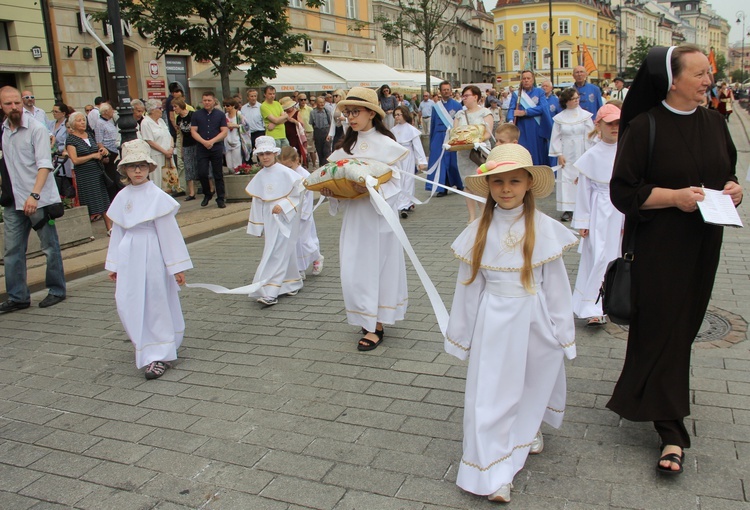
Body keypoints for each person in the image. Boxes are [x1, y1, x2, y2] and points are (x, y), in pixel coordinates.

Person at [607, 45, 743, 475]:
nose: (708, 80)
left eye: (709, 73)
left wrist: (734, 188)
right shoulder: (645, 127)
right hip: (660, 246)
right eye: (700, 73)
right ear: (673, 80)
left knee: (679, 328)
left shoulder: (716, 122)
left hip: (705, 243)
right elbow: (623, 192)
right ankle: (671, 432)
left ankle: (641, 393)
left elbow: (728, 170)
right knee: (663, 327)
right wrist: (675, 198)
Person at [445, 143, 576, 503]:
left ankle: (527, 429)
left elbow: (557, 289)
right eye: (498, 182)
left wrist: (563, 333)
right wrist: (460, 335)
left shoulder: (543, 229)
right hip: (494, 322)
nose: (506, 189)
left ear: (528, 184)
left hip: (534, 321)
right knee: (490, 394)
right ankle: (491, 471)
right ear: (488, 186)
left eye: (514, 181)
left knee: (532, 382)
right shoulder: (478, 232)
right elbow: (468, 289)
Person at [318, 86, 409, 351]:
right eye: (347, 112)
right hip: (356, 218)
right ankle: (366, 316)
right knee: (353, 270)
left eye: (355, 112)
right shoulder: (347, 147)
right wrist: (332, 192)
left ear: (371, 112)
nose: (350, 117)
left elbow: (398, 184)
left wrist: (372, 188)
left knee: (377, 269)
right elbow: (336, 178)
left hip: (379, 219)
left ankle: (375, 324)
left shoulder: (389, 146)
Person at [105, 139, 192, 380]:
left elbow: (169, 234)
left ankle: (160, 353)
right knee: (128, 301)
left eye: (142, 166)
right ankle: (144, 344)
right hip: (129, 254)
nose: (137, 171)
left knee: (156, 300)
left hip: (153, 253)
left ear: (149, 168)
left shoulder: (157, 196)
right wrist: (114, 264)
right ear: (125, 170)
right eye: (132, 167)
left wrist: (176, 267)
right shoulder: (122, 197)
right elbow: (118, 231)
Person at [0, 86, 66, 312]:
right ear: (2, 106)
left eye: (17, 102)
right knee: (12, 251)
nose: (14, 107)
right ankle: (18, 297)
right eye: (8, 104)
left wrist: (34, 195)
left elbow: (44, 165)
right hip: (14, 201)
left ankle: (57, 290)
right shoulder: (4, 131)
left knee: (49, 247)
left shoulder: (36, 129)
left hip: (38, 200)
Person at [571, 103, 624, 325]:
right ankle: (593, 306)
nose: (615, 127)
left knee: (619, 256)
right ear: (598, 125)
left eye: (618, 123)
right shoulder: (591, 155)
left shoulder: (628, 151)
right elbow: (584, 191)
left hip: (622, 210)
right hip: (599, 211)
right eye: (610, 123)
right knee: (598, 256)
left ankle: (619, 300)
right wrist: (583, 221)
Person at [245, 136, 304, 306]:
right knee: (283, 249)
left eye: (268, 153)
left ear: (275, 153)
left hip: (284, 217)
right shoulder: (260, 176)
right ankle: (292, 281)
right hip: (269, 218)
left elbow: (298, 192)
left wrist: (284, 205)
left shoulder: (286, 172)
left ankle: (270, 290)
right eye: (262, 154)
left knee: (276, 252)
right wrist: (257, 227)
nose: (265, 157)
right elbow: (257, 202)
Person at [549, 88, 595, 222]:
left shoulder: (585, 116)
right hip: (566, 152)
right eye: (573, 99)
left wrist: (589, 153)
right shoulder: (559, 118)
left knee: (581, 177)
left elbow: (591, 135)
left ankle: (583, 208)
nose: (576, 101)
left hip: (582, 150)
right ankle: (568, 209)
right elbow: (555, 137)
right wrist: (559, 154)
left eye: (577, 98)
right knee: (566, 180)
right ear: (566, 101)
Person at [279, 146, 324, 279]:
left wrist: (303, 214)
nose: (288, 170)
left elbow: (307, 198)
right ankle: (298, 268)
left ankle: (316, 257)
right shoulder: (285, 174)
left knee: (304, 241)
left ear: (296, 160)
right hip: (289, 213)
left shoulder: (304, 175)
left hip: (302, 214)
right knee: (293, 242)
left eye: (290, 166)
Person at [65, 111, 113, 233]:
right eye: (79, 120)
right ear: (72, 123)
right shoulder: (71, 139)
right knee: (88, 201)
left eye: (83, 120)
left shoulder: (89, 135)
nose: (82, 122)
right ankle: (86, 231)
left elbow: (97, 150)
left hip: (97, 171)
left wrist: (102, 151)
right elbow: (75, 160)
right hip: (84, 174)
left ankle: (110, 228)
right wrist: (92, 156)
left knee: (103, 199)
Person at [454, 85, 494, 223]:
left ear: (475, 97)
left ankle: (484, 215)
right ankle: (471, 216)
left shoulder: (485, 113)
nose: (464, 99)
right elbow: (455, 133)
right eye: (463, 96)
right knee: (467, 183)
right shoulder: (459, 114)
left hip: (479, 151)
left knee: (481, 183)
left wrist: (477, 140)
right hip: (464, 153)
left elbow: (488, 133)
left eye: (467, 96)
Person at [191, 91, 228, 208]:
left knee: (218, 173)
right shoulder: (196, 114)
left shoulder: (220, 114)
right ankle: (207, 193)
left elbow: (224, 131)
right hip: (202, 147)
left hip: (216, 147)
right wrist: (204, 142)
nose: (207, 103)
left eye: (209, 100)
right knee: (202, 172)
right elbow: (193, 131)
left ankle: (220, 198)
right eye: (205, 100)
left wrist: (212, 141)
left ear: (214, 101)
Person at [507, 70, 553, 166]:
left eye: (528, 78)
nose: (526, 80)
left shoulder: (539, 92)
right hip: (521, 128)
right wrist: (511, 120)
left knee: (537, 153)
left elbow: (543, 108)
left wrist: (525, 112)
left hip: (536, 127)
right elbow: (511, 109)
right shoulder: (517, 94)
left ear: (533, 80)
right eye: (524, 78)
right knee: (523, 152)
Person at [426, 81, 462, 196]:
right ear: (440, 92)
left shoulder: (457, 105)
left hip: (452, 136)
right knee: (439, 162)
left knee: (452, 162)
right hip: (438, 136)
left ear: (451, 91)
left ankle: (458, 183)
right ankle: (441, 187)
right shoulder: (436, 107)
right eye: (444, 89)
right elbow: (433, 124)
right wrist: (432, 141)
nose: (446, 91)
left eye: (448, 89)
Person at [392, 105, 427, 218]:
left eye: (399, 114)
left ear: (404, 115)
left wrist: (421, 161)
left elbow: (418, 147)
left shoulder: (411, 130)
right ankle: (400, 202)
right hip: (397, 157)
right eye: (395, 115)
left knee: (408, 179)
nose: (396, 117)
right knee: (398, 179)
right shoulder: (393, 130)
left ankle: (405, 204)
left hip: (408, 156)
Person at [140, 99, 175, 192]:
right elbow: (149, 141)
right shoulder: (146, 122)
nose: (162, 110)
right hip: (157, 156)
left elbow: (169, 135)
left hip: (168, 154)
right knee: (158, 180)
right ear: (152, 110)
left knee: (169, 181)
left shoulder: (161, 121)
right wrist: (165, 152)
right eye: (159, 108)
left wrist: (171, 148)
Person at [173, 98, 199, 201]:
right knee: (188, 167)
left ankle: (206, 187)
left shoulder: (193, 115)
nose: (174, 109)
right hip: (186, 144)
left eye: (176, 106)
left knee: (199, 165)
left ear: (181, 106)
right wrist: (182, 149)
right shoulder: (178, 119)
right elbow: (181, 134)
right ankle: (192, 193)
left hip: (196, 143)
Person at [94, 103, 121, 199]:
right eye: (111, 109)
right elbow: (99, 140)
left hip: (114, 151)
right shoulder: (99, 123)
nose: (113, 111)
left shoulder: (109, 121)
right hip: (109, 152)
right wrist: (105, 156)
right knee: (112, 177)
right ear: (105, 112)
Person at [48, 101, 74, 181]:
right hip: (54, 155)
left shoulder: (67, 124)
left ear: (63, 113)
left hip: (64, 155)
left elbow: (70, 139)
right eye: (53, 111)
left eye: (56, 111)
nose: (54, 113)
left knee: (67, 178)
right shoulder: (51, 123)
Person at [279, 96, 307, 167]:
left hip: (295, 135)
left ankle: (297, 164)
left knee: (296, 151)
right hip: (285, 135)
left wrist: (294, 121)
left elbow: (301, 124)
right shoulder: (283, 113)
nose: (289, 108)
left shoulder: (297, 112)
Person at [240, 89, 266, 163]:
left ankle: (262, 165)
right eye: (251, 96)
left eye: (255, 96)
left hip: (259, 131)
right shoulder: (243, 108)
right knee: (248, 151)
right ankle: (248, 167)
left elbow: (264, 120)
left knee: (260, 150)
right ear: (248, 97)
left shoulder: (261, 107)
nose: (253, 98)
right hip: (248, 133)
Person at [223, 97, 246, 172]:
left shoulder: (239, 115)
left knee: (237, 165)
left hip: (236, 141)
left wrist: (235, 125)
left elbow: (246, 127)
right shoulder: (224, 116)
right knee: (229, 166)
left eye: (228, 105)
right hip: (227, 142)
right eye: (225, 105)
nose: (226, 107)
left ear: (233, 106)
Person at [296, 93, 317, 167]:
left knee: (311, 149)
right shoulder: (296, 109)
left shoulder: (310, 109)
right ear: (298, 100)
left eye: (305, 99)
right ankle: (305, 164)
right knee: (302, 150)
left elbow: (314, 121)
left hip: (309, 130)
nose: (303, 101)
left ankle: (314, 165)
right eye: (301, 100)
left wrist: (314, 132)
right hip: (300, 131)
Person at [310, 96, 332, 163]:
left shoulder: (327, 111)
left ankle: (326, 164)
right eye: (320, 102)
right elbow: (311, 123)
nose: (322, 104)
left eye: (323, 102)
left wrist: (329, 133)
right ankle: (321, 165)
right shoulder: (312, 112)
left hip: (326, 131)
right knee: (319, 150)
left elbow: (330, 123)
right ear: (316, 103)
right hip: (317, 132)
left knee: (326, 150)